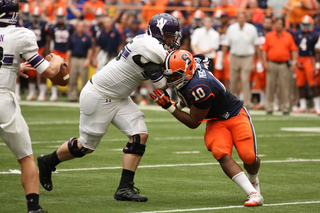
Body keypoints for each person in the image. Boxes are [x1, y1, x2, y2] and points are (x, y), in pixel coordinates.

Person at [37, 13, 181, 202]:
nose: (173, 40)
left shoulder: (148, 43)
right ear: (159, 33)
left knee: (140, 135)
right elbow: (162, 85)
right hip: (99, 95)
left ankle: (124, 188)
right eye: (170, 35)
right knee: (85, 147)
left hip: (119, 96)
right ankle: (48, 161)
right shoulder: (151, 48)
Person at [149, 50, 263, 207]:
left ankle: (253, 180)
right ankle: (253, 193)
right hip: (215, 120)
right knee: (220, 152)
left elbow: (193, 122)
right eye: (170, 75)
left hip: (235, 114)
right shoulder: (193, 65)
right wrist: (180, 104)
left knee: (249, 157)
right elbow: (200, 58)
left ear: (188, 70)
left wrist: (169, 107)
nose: (172, 79)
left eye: (176, 75)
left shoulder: (199, 87)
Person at [0, 1, 65, 212]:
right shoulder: (21, 34)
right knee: (26, 157)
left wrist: (11, 66)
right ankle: (33, 208)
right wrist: (57, 60)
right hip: (3, 100)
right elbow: (47, 72)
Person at [222, 12, 262, 108]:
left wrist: (259, 58)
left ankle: (246, 102)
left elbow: (256, 44)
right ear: (237, 19)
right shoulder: (231, 28)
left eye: (243, 18)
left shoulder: (251, 28)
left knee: (245, 80)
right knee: (233, 80)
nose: (241, 20)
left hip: (247, 57)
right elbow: (226, 43)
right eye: (239, 18)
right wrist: (223, 57)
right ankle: (233, 102)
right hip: (234, 56)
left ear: (245, 19)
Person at [262, 18, 298, 115]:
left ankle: (285, 107)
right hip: (272, 63)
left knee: (284, 86)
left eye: (280, 24)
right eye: (276, 24)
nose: (278, 26)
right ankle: (269, 106)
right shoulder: (269, 36)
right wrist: (264, 62)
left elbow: (293, 50)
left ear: (283, 26)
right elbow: (264, 50)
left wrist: (294, 62)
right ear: (274, 25)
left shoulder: (288, 36)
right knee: (270, 86)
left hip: (284, 64)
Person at [292, 15, 320, 114]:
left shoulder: (315, 35)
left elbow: (317, 49)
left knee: (313, 83)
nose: (306, 27)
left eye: (307, 25)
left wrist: (317, 62)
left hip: (309, 59)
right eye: (304, 25)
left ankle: (317, 106)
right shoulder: (297, 34)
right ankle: (303, 106)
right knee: (300, 84)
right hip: (300, 59)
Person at [46, 7, 74, 101]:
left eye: (61, 16)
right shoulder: (53, 27)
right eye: (58, 16)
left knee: (68, 73)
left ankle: (70, 93)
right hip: (56, 51)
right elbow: (49, 40)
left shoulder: (70, 27)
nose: (60, 18)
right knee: (55, 73)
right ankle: (54, 94)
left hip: (67, 52)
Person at [24, 6, 49, 101]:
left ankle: (42, 93)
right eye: (34, 16)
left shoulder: (44, 24)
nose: (35, 18)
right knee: (31, 73)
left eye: (37, 16)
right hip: (30, 50)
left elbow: (47, 39)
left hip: (40, 49)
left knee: (42, 72)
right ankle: (32, 92)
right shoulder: (27, 24)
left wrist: (46, 51)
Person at [66, 20, 93, 102]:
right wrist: (67, 60)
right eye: (79, 26)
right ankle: (72, 97)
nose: (80, 28)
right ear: (76, 27)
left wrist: (88, 60)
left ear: (84, 28)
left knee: (84, 79)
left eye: (82, 26)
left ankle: (84, 98)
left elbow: (90, 50)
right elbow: (69, 49)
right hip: (74, 59)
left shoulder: (87, 38)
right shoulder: (72, 37)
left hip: (83, 59)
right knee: (72, 79)